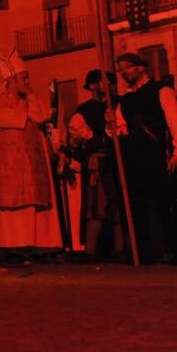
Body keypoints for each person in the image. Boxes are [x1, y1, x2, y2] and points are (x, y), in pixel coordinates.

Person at [0, 49, 61, 261]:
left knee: (33, 205)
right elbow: (0, 118)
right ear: (12, 79)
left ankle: (38, 244)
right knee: (11, 204)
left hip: (32, 161)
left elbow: (42, 115)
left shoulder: (30, 100)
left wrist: (31, 96)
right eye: (23, 77)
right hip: (9, 163)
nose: (27, 80)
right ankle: (10, 245)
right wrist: (24, 114)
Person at [111, 52, 177, 263]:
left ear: (140, 67)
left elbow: (175, 119)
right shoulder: (124, 101)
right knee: (137, 204)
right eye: (121, 69)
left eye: (127, 67)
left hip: (157, 152)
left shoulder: (161, 91)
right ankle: (144, 253)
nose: (124, 72)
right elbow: (119, 129)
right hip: (134, 155)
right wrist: (112, 124)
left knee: (165, 202)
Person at [66, 69, 121, 258]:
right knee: (96, 205)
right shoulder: (83, 111)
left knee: (120, 204)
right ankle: (90, 250)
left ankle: (121, 249)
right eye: (103, 82)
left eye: (109, 82)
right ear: (92, 86)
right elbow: (75, 139)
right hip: (97, 160)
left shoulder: (119, 104)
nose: (108, 85)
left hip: (119, 159)